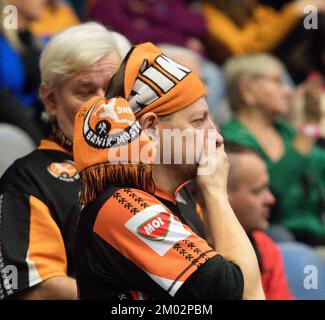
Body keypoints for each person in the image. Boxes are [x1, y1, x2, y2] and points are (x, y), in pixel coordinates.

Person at [73, 42, 265, 300]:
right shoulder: (124, 208)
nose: (216, 136)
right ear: (151, 128)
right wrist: (217, 193)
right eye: (198, 121)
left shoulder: (183, 202)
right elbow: (245, 295)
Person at [0, 22, 124, 300]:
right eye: (85, 91)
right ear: (51, 100)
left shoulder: (157, 165)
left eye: (114, 89)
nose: (104, 106)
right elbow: (38, 288)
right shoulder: (28, 180)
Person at [221, 53, 325, 247]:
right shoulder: (232, 139)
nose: (287, 91)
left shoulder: (284, 130)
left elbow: (320, 164)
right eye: (277, 82)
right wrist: (310, 125)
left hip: (315, 234)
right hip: (275, 238)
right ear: (247, 88)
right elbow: (274, 187)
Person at [224, 142, 294, 300]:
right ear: (220, 193)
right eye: (257, 191)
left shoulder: (265, 248)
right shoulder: (193, 253)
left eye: (267, 189)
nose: (271, 199)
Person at [200, 0, 325, 82]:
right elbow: (243, 51)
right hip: (243, 70)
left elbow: (271, 25)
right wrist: (294, 11)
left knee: (314, 19)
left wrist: (304, 9)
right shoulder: (209, 15)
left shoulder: (253, 10)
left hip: (288, 59)